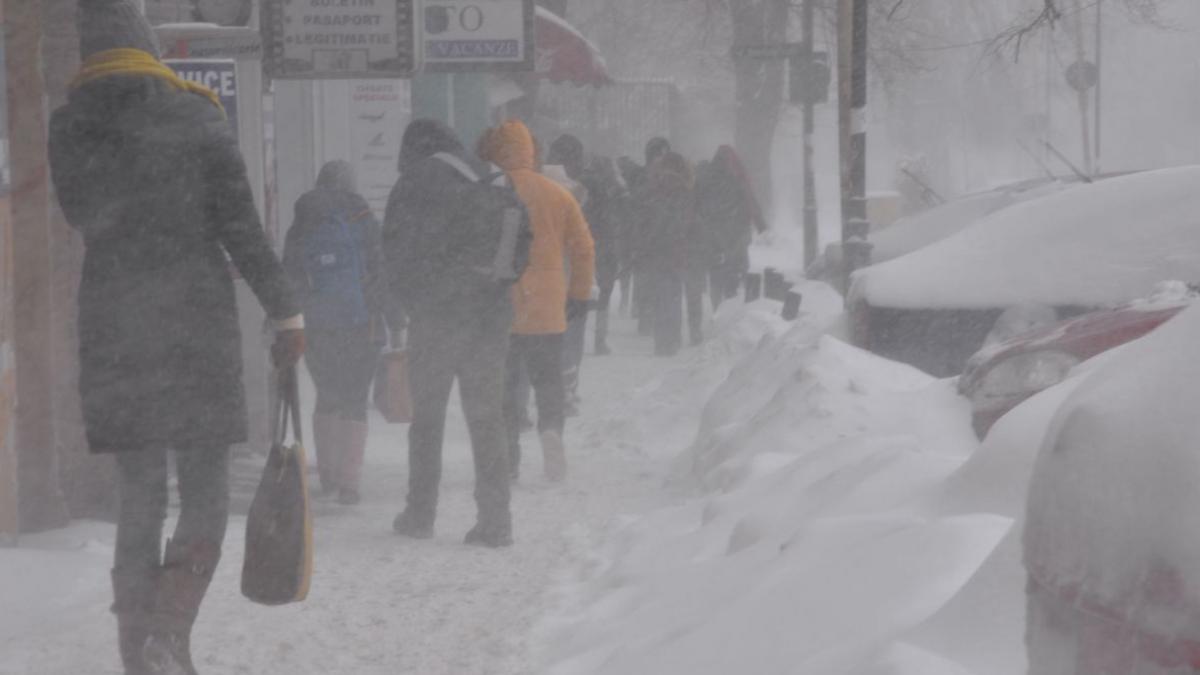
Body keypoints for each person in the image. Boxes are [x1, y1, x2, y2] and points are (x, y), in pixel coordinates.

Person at [47, 3, 304, 672]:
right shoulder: (196, 116)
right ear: (147, 46)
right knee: (206, 486)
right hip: (194, 325)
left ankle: (138, 650)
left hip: (116, 327)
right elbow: (240, 228)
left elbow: (82, 214)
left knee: (139, 491)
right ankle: (170, 627)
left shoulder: (72, 124)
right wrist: (285, 310)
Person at [384, 119, 524, 548]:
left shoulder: (417, 180)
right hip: (490, 315)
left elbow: (393, 250)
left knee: (428, 418)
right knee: (487, 418)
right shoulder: (494, 176)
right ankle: (496, 519)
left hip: (438, 316)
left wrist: (413, 304)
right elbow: (522, 246)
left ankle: (420, 512)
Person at [479, 120, 594, 483]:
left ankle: (509, 455)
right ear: (531, 151)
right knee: (548, 381)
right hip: (548, 306)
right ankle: (551, 431)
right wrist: (578, 292)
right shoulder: (558, 194)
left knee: (506, 384)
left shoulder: (488, 194)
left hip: (502, 307)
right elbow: (584, 248)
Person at [282, 161, 384, 505]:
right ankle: (349, 482)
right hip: (360, 320)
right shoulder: (363, 216)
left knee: (327, 392)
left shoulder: (303, 220)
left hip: (318, 322)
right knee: (355, 397)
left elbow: (290, 273)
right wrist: (391, 317)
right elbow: (381, 270)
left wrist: (286, 318)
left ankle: (326, 474)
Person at [547, 134, 626, 357]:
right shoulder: (593, 184)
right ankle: (594, 341)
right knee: (587, 299)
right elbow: (606, 220)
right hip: (590, 247)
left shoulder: (546, 182)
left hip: (562, 252)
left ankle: (563, 347)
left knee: (568, 300)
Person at [694, 145, 767, 310]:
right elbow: (750, 201)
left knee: (716, 271)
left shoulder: (706, 178)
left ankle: (717, 308)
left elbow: (696, 203)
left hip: (713, 234)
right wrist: (760, 224)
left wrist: (697, 225)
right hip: (736, 233)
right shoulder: (737, 176)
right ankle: (730, 307)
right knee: (734, 271)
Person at [641, 152, 696, 356]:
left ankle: (662, 340)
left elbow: (647, 220)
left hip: (658, 250)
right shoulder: (686, 191)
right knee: (673, 294)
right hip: (678, 250)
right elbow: (688, 222)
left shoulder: (655, 189)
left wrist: (648, 240)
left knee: (660, 295)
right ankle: (672, 338)